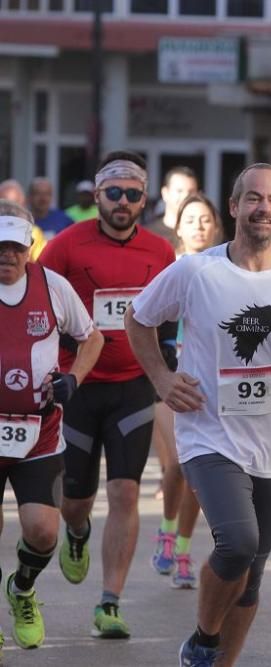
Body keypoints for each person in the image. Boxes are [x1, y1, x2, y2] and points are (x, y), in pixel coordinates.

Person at [126, 162, 271, 666]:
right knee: (238, 542)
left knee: (252, 574)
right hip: (209, 435)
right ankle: (204, 639)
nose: (262, 208)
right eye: (252, 198)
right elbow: (137, 319)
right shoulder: (195, 271)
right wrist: (162, 380)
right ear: (234, 207)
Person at [37, 151, 176, 638]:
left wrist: (171, 359)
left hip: (132, 388)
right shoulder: (65, 247)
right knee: (76, 501)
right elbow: (37, 303)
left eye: (132, 194)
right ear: (96, 195)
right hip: (77, 389)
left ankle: (110, 602)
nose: (122, 202)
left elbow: (171, 314)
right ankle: (77, 531)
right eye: (113, 192)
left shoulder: (160, 252)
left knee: (126, 491)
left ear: (144, 199)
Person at [0, 202, 104, 652]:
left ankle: (22, 589)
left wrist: (73, 378)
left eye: (14, 248)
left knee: (42, 531)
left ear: (30, 248)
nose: (6, 256)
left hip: (38, 432)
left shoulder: (51, 286)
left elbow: (92, 337)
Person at [150, 193, 224, 590]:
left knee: (197, 472)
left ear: (216, 227)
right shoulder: (167, 266)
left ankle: (181, 547)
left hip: (209, 382)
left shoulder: (227, 268)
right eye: (190, 220)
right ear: (177, 227)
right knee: (177, 464)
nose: (198, 226)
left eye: (205, 220)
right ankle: (165, 527)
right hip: (168, 376)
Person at [145, 166, 198, 244]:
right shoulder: (148, 234)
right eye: (179, 191)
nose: (186, 196)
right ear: (165, 193)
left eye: (191, 191)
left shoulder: (201, 235)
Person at [0, 180, 45, 260]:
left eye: (15, 207)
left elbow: (40, 264)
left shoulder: (34, 233)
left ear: (24, 205)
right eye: (4, 206)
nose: (9, 212)